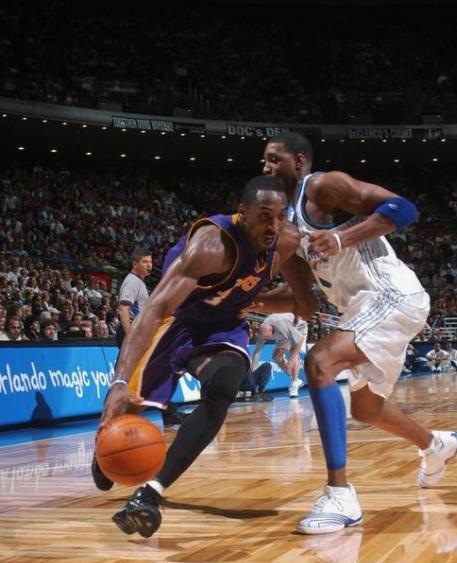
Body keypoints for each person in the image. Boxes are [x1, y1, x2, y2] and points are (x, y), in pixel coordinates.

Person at [261, 132, 457, 535]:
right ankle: (436, 445)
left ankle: (340, 496)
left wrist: (340, 238)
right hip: (362, 310)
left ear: (298, 161)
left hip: (391, 295)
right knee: (366, 409)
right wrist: (238, 302)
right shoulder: (288, 233)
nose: (265, 167)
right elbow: (303, 303)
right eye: (263, 160)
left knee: (320, 361)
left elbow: (405, 208)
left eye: (273, 159)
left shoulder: (322, 187)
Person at [96, 175, 311, 538]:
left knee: (224, 386)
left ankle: (150, 493)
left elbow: (302, 299)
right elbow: (155, 308)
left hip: (224, 326)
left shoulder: (286, 240)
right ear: (242, 213)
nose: (273, 225)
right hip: (176, 320)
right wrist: (118, 380)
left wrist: (263, 300)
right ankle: (104, 446)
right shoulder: (212, 246)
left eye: (280, 216)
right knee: (129, 406)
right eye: (264, 216)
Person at [251, 312, 307, 397]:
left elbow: (299, 340)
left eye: (267, 337)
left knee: (293, 352)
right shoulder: (262, 333)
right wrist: (252, 373)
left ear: (271, 331)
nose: (265, 339)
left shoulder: (282, 326)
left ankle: (294, 384)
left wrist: (292, 358)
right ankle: (296, 379)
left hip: (298, 328)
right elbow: (257, 353)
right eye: (264, 337)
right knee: (276, 356)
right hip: (283, 335)